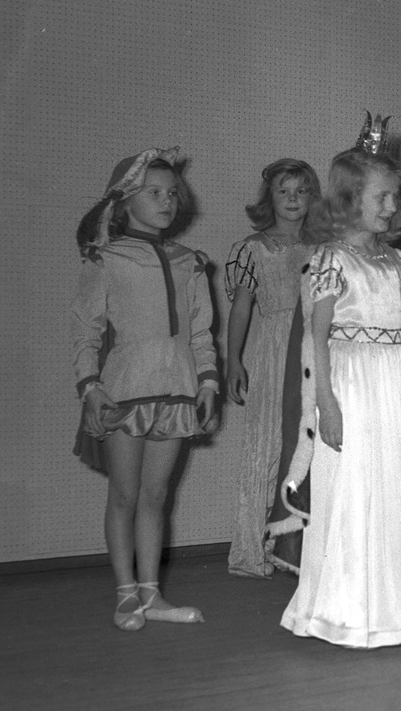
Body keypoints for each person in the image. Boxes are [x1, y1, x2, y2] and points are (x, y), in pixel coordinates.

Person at [279, 117, 401, 648]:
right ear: (349, 200)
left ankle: (393, 610)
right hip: (349, 382)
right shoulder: (330, 260)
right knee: (349, 489)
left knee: (392, 488)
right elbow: (315, 337)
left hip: (391, 382)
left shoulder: (397, 262)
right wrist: (325, 403)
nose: (392, 207)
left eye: (396, 197)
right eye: (381, 197)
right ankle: (339, 610)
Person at [72, 147, 216, 631]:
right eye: (153, 192)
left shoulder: (190, 262)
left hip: (176, 391)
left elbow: (200, 332)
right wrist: (90, 386)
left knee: (156, 496)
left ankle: (152, 593)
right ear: (125, 200)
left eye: (172, 193)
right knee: (124, 494)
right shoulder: (106, 257)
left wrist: (208, 380)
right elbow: (86, 331)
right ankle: (125, 594)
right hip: (125, 391)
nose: (166, 201)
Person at [225, 158, 320, 578]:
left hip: (313, 351)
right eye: (284, 191)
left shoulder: (325, 249)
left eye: (301, 191)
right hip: (272, 353)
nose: (293, 199)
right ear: (270, 198)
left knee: (309, 448)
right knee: (266, 446)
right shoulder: (253, 248)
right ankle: (252, 550)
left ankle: (300, 550)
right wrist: (233, 360)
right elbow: (241, 308)